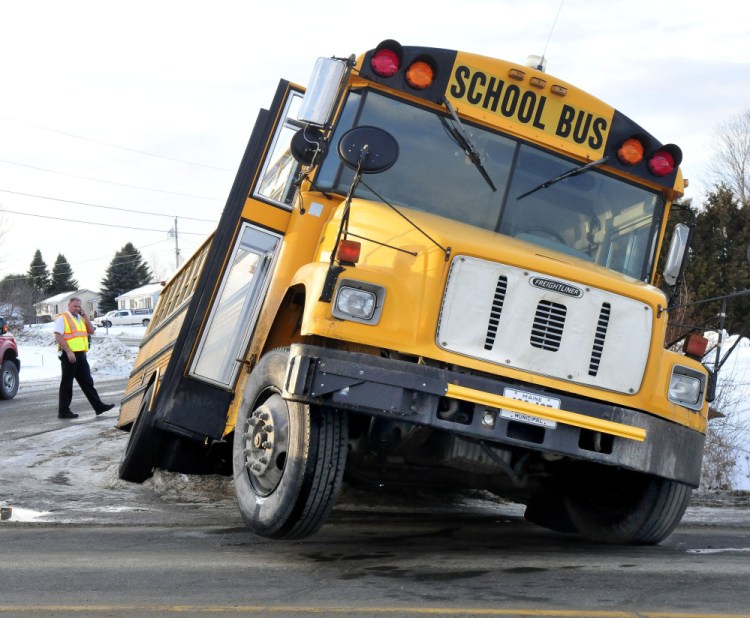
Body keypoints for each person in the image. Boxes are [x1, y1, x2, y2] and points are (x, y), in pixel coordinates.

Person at [54, 297, 115, 419]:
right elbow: (58, 336)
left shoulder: (81, 318)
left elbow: (91, 331)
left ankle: (98, 407)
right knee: (67, 384)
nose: (77, 308)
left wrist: (86, 317)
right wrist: (69, 352)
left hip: (81, 355)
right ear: (69, 305)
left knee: (87, 382)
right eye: (74, 306)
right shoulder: (63, 318)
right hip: (69, 355)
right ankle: (63, 411)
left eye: (79, 306)